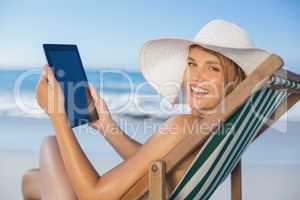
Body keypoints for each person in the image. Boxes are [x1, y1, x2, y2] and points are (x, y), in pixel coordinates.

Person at [21, 19, 270, 200]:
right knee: (32, 179)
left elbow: (94, 195)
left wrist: (57, 114)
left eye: (213, 68)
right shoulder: (222, 128)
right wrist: (107, 127)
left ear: (237, 82)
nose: (196, 77)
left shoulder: (185, 125)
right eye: (193, 64)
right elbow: (154, 163)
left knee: (50, 145)